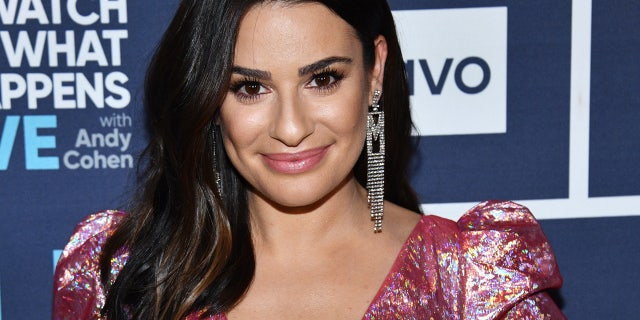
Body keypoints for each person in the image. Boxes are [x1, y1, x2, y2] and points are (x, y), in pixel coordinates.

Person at [53, 0, 565, 319]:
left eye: (323, 79)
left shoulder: (474, 285)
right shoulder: (121, 275)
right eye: (250, 87)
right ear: (209, 99)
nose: (291, 128)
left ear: (375, 71)